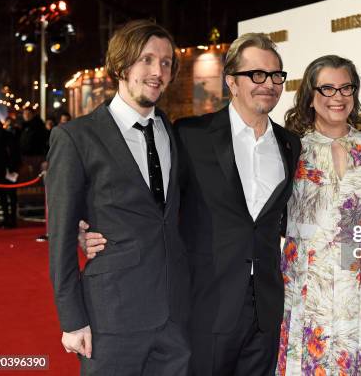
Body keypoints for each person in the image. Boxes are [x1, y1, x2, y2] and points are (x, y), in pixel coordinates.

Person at [82, 32, 301, 375]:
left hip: (266, 308)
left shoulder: (290, 144)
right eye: (256, 74)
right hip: (206, 304)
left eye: (276, 75)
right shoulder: (190, 135)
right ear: (232, 81)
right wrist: (88, 226)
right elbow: (147, 199)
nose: (268, 83)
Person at [46, 19, 190, 375]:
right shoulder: (76, 137)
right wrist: (71, 319)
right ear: (121, 65)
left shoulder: (170, 131)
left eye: (166, 62)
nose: (158, 70)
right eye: (146, 59)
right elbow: (61, 237)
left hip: (174, 315)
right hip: (112, 315)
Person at [277, 55, 361, 375]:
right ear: (310, 95)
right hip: (304, 281)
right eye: (327, 88)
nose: (337, 97)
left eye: (345, 88)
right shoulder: (291, 147)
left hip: (356, 282)